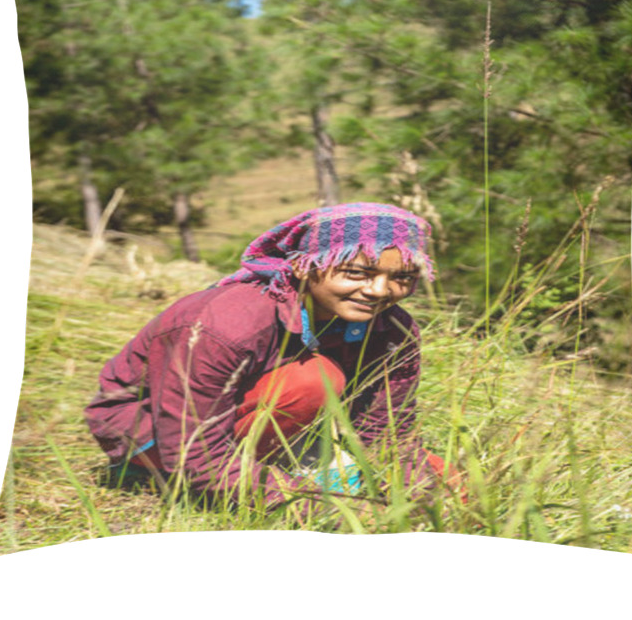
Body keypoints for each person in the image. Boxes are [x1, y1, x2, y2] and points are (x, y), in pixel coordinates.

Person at [85, 202, 457, 513]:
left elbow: (388, 431)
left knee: (451, 484)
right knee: (314, 380)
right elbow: (193, 448)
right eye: (356, 272)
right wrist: (315, 507)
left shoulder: (394, 330)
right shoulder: (224, 325)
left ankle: (280, 468)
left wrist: (420, 497)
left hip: (269, 424)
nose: (380, 291)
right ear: (301, 266)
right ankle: (159, 479)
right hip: (159, 434)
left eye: (403, 278)